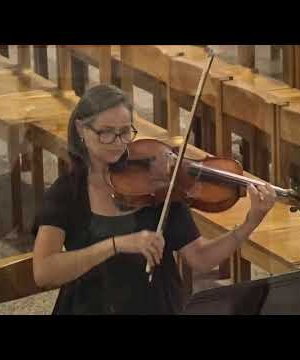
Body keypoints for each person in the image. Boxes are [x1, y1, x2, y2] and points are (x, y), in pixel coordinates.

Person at [31, 84, 276, 315]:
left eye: (125, 131)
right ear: (81, 130)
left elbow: (200, 258)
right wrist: (116, 245)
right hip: (91, 307)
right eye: (106, 133)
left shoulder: (158, 183)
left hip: (157, 305)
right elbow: (43, 272)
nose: (119, 143)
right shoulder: (67, 193)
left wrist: (250, 223)